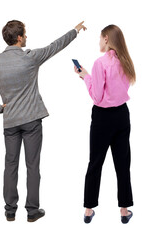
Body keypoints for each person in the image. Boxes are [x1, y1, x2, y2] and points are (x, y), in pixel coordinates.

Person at [0, 20, 87, 222]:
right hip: (32, 121)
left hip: (10, 122)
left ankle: (10, 210)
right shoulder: (30, 58)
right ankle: (32, 211)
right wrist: (75, 30)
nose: (27, 37)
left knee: (10, 165)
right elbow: (56, 46)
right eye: (25, 34)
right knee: (32, 165)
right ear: (19, 38)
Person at [74, 24, 135, 224]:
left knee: (95, 162)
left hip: (103, 118)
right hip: (122, 116)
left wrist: (85, 77)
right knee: (123, 164)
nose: (99, 42)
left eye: (100, 38)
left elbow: (97, 96)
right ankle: (124, 211)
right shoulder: (126, 61)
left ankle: (89, 209)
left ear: (107, 38)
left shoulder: (100, 63)